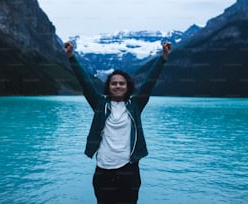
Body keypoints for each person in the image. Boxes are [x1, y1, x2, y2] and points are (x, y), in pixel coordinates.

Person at [64, 40, 172, 204]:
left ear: (127, 86)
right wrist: (72, 57)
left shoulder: (135, 105)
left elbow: (150, 83)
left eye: (122, 83)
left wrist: (163, 58)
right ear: (109, 86)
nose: (118, 86)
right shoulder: (100, 105)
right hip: (103, 171)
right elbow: (85, 83)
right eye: (114, 83)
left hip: (129, 170)